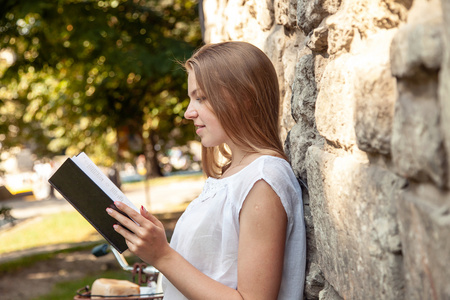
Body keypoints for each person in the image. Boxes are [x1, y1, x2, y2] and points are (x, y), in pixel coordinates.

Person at [107, 41, 306, 299]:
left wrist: (162, 255)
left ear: (243, 98)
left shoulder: (263, 179)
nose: (189, 113)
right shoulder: (235, 172)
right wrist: (155, 243)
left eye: (201, 98)